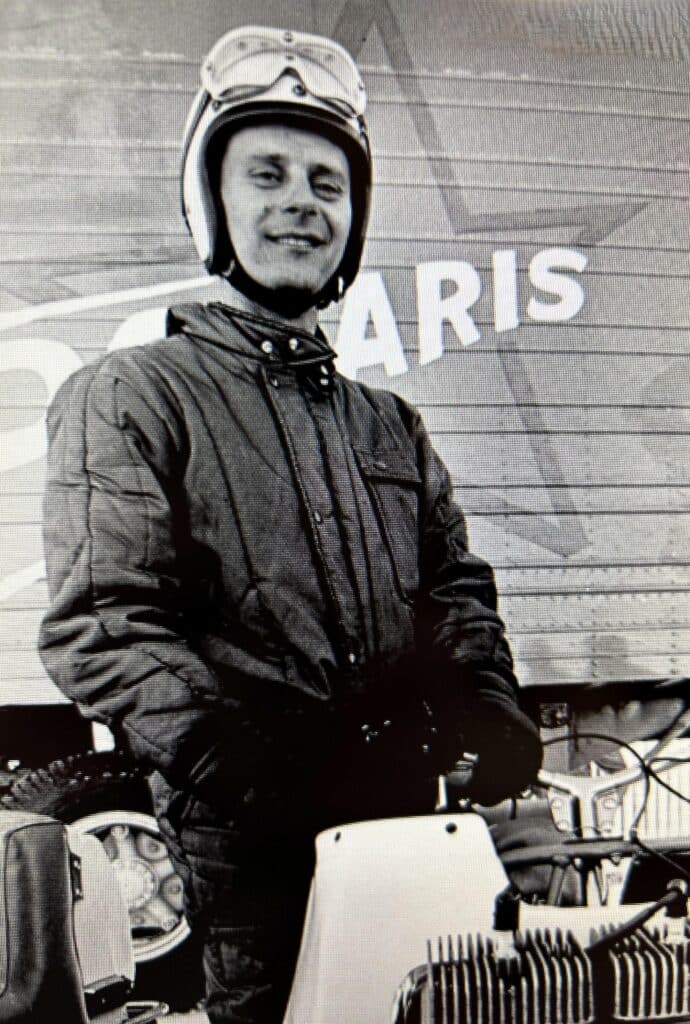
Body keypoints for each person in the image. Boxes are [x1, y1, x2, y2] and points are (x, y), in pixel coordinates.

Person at [38, 25, 542, 1024]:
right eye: (266, 173)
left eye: (328, 182)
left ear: (353, 220)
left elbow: (454, 594)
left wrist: (489, 700)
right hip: (251, 861)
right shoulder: (134, 394)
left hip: (411, 829)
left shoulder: (386, 423)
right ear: (213, 203)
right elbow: (104, 623)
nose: (300, 203)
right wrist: (257, 761)